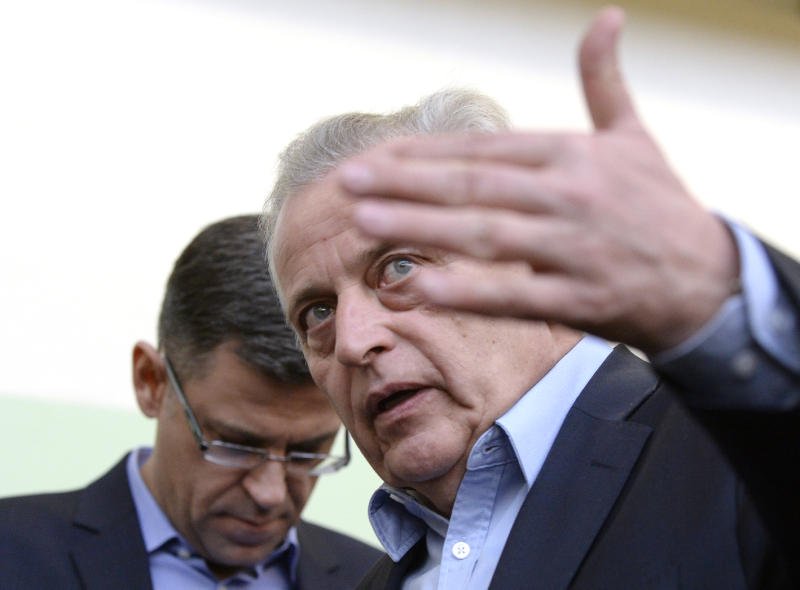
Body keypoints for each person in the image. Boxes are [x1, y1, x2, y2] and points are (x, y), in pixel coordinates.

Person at [263, 7, 800, 589]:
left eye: (399, 267)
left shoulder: (731, 455)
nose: (353, 341)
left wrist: (719, 297)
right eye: (317, 313)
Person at [0, 214, 382, 589]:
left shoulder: (379, 581)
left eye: (307, 452)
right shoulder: (11, 553)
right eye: (235, 445)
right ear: (151, 381)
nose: (270, 493)